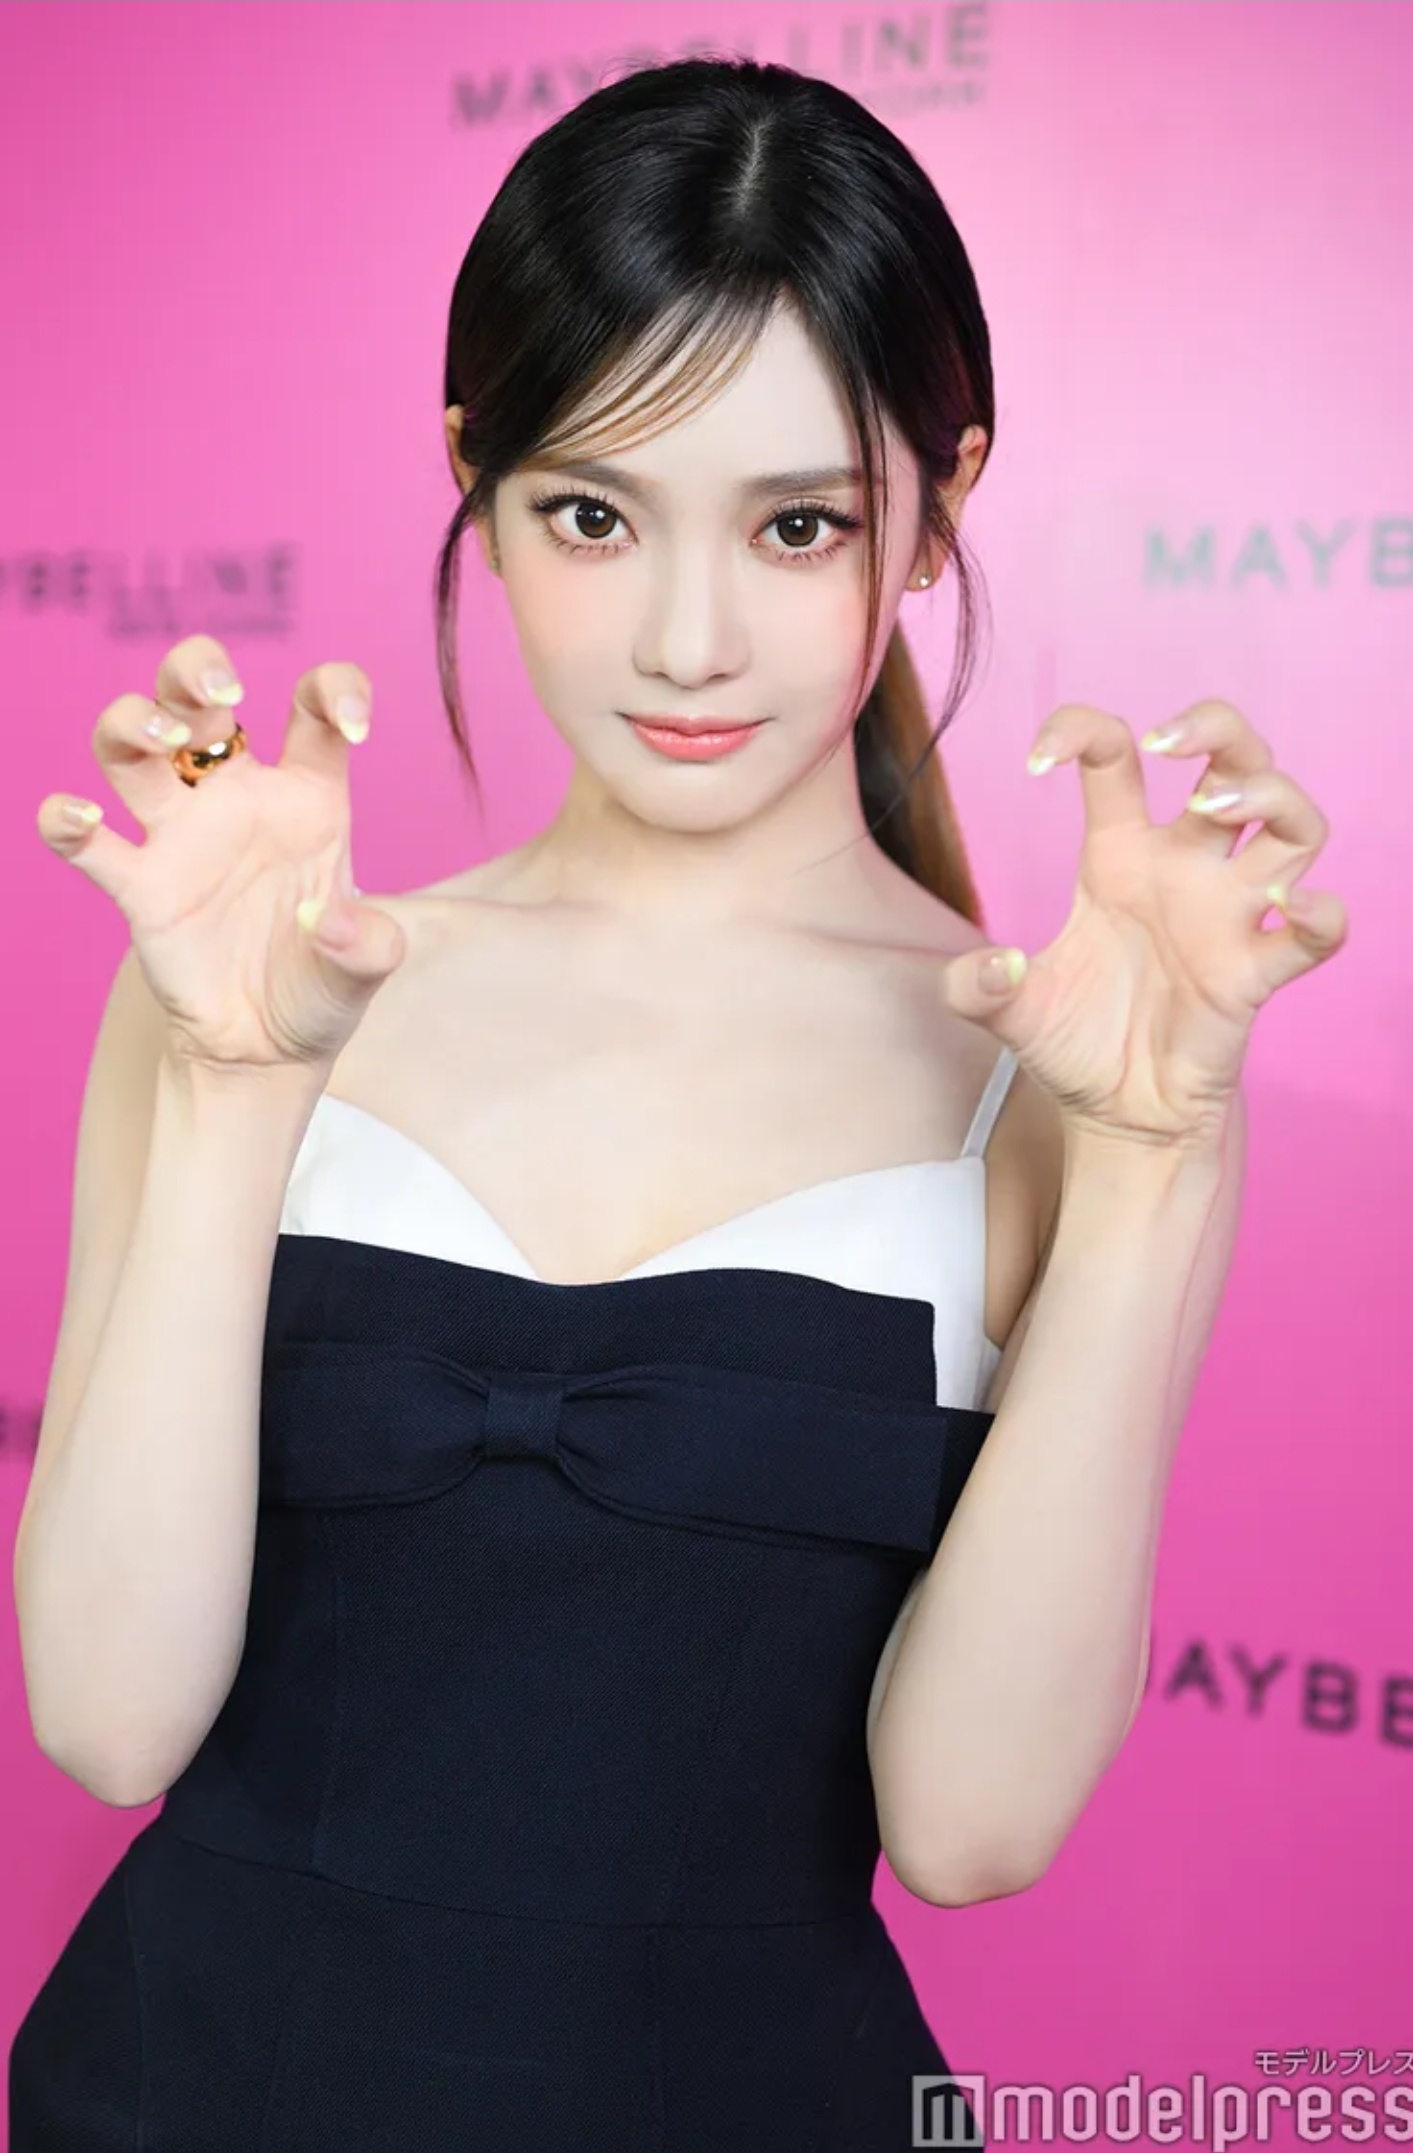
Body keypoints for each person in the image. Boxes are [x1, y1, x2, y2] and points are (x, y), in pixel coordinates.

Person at [9, 53, 1344, 2153]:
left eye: (798, 524)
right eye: (593, 516)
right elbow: (105, 1719)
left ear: (941, 502)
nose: (690, 640)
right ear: (472, 468)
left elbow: (974, 1827)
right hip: (184, 2092)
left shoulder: (1067, 1072)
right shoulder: (264, 975)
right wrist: (240, 1082)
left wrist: (1157, 1154)